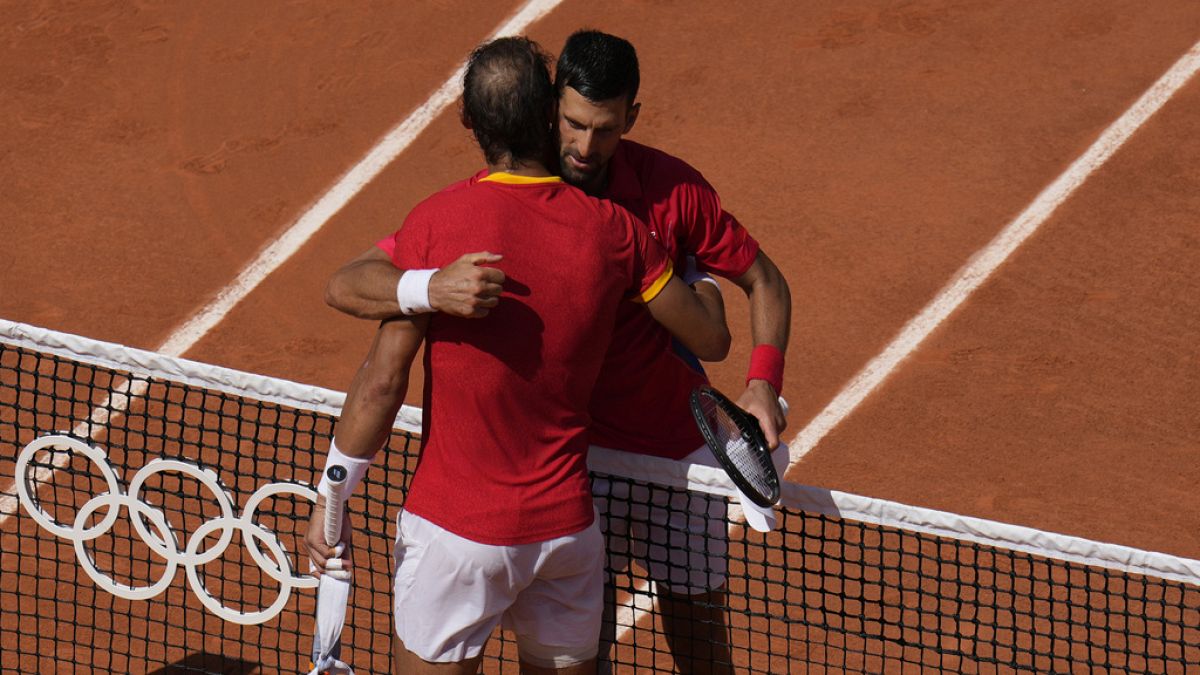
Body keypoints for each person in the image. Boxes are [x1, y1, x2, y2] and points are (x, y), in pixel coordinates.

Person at [324, 30, 792, 674]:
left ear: (631, 117)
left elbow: (754, 291)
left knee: (701, 647)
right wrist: (432, 285)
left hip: (670, 459)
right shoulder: (506, 212)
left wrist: (762, 381)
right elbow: (351, 283)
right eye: (572, 124)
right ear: (550, 110)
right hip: (580, 472)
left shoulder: (668, 194)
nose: (585, 146)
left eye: (604, 129)